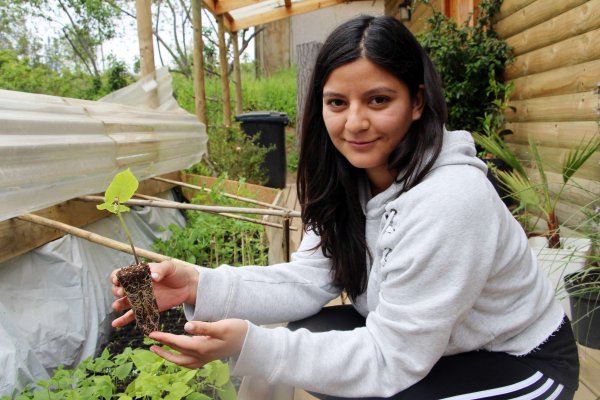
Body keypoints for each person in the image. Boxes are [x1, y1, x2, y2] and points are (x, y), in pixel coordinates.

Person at [111, 15, 579, 399]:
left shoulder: (452, 200)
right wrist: (198, 283)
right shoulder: (348, 183)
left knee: (345, 374)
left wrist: (253, 345)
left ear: (417, 102)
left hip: (516, 360)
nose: (355, 123)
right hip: (427, 346)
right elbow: (307, 280)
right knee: (307, 330)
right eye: (337, 102)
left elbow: (389, 362)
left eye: (378, 100)